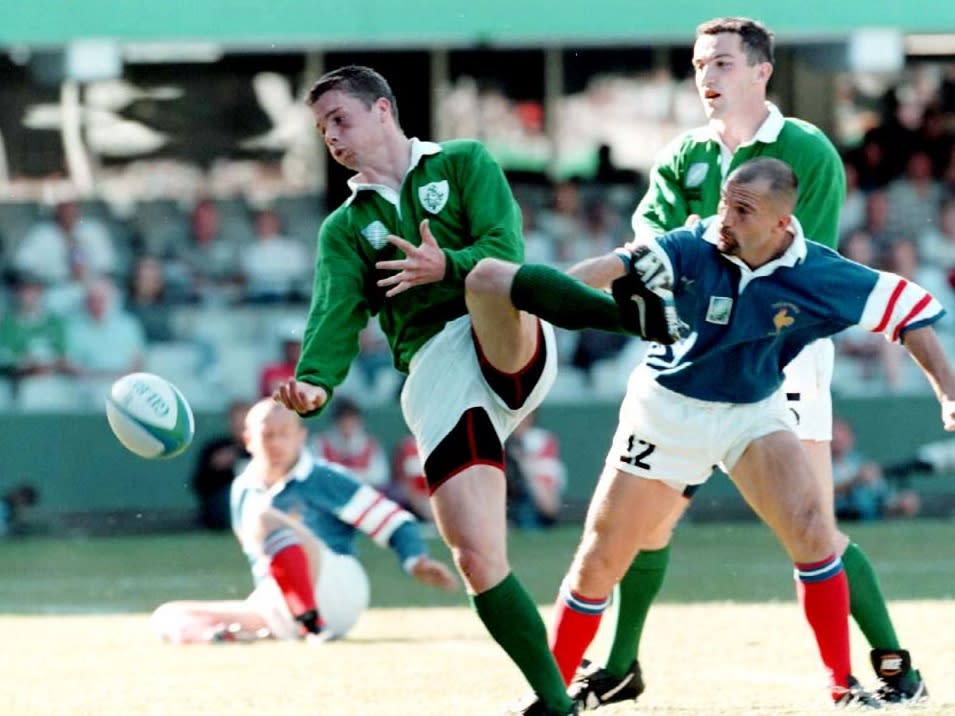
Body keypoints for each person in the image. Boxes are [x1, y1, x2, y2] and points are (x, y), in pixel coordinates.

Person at [271, 64, 676, 716]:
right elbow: (334, 314)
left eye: (340, 119)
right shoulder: (344, 228)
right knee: (475, 557)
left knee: (487, 274)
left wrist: (445, 265)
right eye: (322, 129)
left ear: (382, 110)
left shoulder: (461, 163)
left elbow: (503, 246)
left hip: (499, 333)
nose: (332, 137)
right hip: (436, 373)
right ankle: (556, 703)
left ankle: (646, 318)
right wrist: (315, 385)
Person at [566, 17, 928, 709]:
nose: (707, 76)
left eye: (723, 63)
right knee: (649, 525)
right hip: (689, 362)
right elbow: (650, 244)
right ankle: (620, 664)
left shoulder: (805, 150)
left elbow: (802, 265)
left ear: (762, 70)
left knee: (811, 525)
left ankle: (890, 667)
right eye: (700, 63)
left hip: (781, 354)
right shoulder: (681, 156)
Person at [514, 157, 952, 708]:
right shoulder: (689, 245)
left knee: (814, 529)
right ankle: (551, 698)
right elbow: (605, 268)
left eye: (742, 210)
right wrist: (533, 298)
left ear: (780, 223)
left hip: (753, 411)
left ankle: (843, 690)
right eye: (725, 201)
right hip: (668, 412)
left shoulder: (820, 272)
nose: (725, 216)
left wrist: (948, 391)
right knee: (602, 559)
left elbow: (909, 313)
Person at [151, 399, 457, 644]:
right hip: (281, 601)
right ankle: (222, 637)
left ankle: (312, 623)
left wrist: (415, 560)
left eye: (284, 433)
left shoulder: (325, 477)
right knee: (167, 616)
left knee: (265, 516)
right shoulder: (242, 489)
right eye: (266, 435)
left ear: (301, 436)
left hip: (338, 586)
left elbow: (393, 521)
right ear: (248, 440)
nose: (276, 443)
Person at [831, 417, 920, 521]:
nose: (838, 438)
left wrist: (900, 505)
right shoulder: (820, 465)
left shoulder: (862, 463)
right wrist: (854, 482)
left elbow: (883, 501)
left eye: (843, 434)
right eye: (834, 434)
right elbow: (823, 496)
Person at [190, 399, 252, 531]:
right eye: (237, 421)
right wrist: (215, 467)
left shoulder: (264, 449)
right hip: (222, 508)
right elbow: (198, 485)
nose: (241, 425)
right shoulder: (216, 448)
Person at [505, 410, 567, 529]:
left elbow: (550, 506)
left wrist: (522, 461)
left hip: (532, 503)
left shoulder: (539, 440)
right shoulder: (500, 439)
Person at [310, 397, 389, 489]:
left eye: (352, 417)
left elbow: (380, 477)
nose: (347, 422)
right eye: (343, 417)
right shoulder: (320, 443)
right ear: (335, 419)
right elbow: (315, 475)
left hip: (361, 495)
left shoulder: (371, 445)